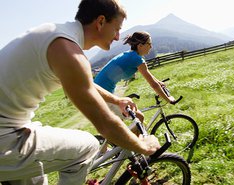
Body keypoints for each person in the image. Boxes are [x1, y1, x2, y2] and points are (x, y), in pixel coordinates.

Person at [0, 1, 161, 185]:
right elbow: (105, 125)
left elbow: (84, 83)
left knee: (36, 175)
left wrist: (116, 100)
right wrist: (143, 145)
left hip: (12, 129)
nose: (118, 37)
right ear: (100, 22)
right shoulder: (68, 50)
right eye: (116, 29)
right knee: (88, 146)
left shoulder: (57, 36)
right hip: (6, 136)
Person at [94, 31, 176, 121]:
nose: (151, 46)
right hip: (102, 95)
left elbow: (151, 77)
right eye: (149, 44)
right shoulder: (136, 59)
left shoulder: (131, 55)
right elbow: (153, 84)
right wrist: (168, 99)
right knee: (139, 117)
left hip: (100, 91)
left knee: (121, 121)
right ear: (140, 45)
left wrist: (159, 82)